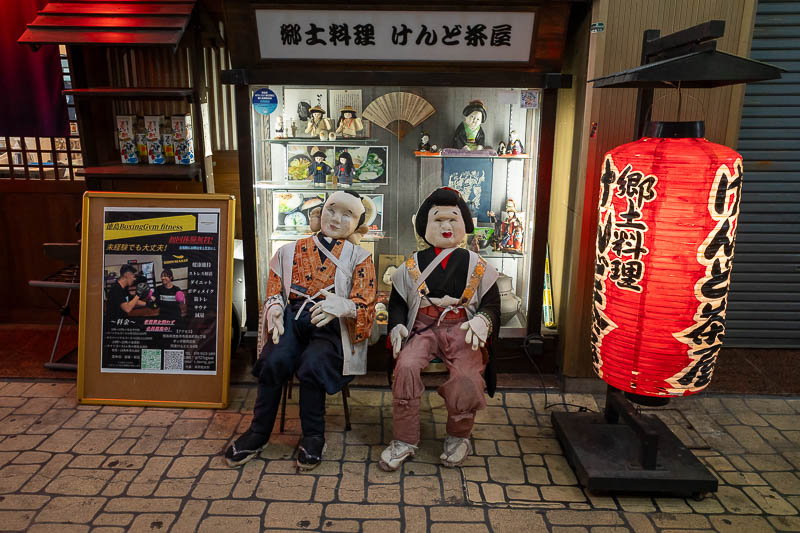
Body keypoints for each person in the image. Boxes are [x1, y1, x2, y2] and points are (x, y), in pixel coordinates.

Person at [225, 191, 376, 470]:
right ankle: (258, 432)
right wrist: (274, 309)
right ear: (319, 212)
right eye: (331, 209)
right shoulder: (288, 251)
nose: (336, 218)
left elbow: (365, 305)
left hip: (332, 325)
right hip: (293, 316)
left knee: (314, 364)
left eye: (347, 215)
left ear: (358, 225)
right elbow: (274, 289)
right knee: (274, 358)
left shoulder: (361, 258)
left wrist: (343, 306)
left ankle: (314, 435)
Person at [381, 187, 500, 471]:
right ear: (424, 226)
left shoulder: (478, 265)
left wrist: (483, 319)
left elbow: (493, 304)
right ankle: (404, 440)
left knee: (467, 377)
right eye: (437, 220)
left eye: (452, 219)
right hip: (422, 327)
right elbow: (397, 301)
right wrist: (396, 325)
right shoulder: (410, 265)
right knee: (406, 367)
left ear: (464, 224)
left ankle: (459, 437)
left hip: (463, 328)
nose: (446, 226)